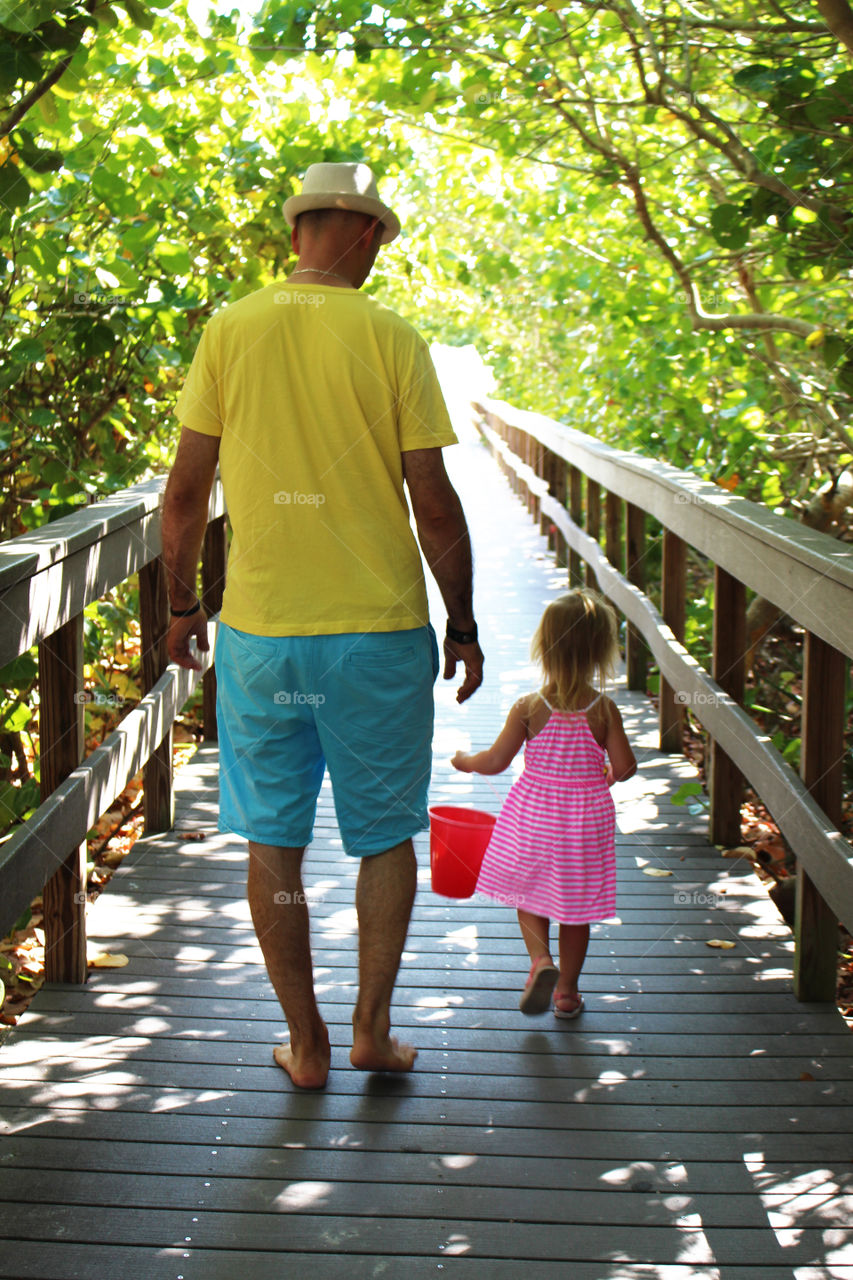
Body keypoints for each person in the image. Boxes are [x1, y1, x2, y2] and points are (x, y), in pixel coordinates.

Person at [161, 161, 484, 1089]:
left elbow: (184, 496)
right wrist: (461, 622)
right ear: (365, 235)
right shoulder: (391, 336)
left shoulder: (231, 327)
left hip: (262, 637)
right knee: (383, 837)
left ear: (299, 232)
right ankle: (370, 1031)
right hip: (377, 634)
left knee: (276, 840)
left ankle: (303, 1045)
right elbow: (434, 501)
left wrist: (184, 605)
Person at [451, 589, 635, 1019]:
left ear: (544, 646)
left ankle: (540, 962)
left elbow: (495, 762)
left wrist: (464, 761)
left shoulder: (529, 707)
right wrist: (605, 776)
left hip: (533, 816)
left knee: (528, 891)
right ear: (600, 651)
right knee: (576, 908)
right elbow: (625, 767)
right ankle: (567, 994)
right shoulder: (603, 709)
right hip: (585, 820)